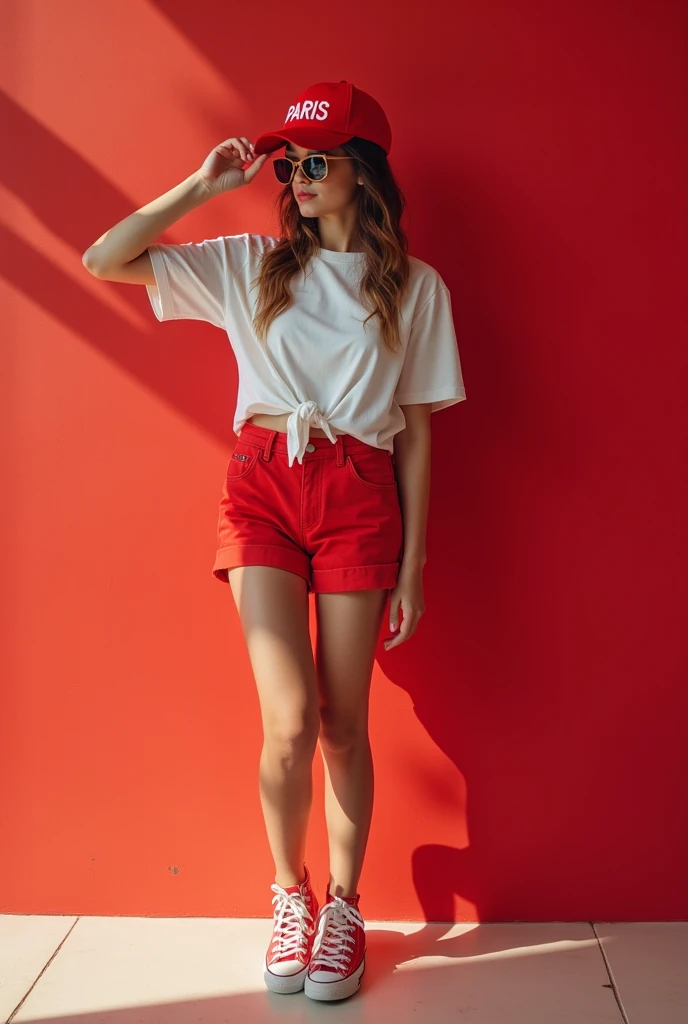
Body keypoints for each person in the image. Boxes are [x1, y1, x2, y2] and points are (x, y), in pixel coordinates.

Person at [82, 79, 466, 1003]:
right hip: (261, 485)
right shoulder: (252, 262)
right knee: (287, 724)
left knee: (342, 722)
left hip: (359, 489)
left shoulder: (415, 289)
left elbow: (413, 432)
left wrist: (413, 562)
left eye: (317, 159)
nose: (297, 173)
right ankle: (287, 897)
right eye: (290, 160)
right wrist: (201, 186)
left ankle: (342, 908)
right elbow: (103, 259)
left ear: (363, 171)